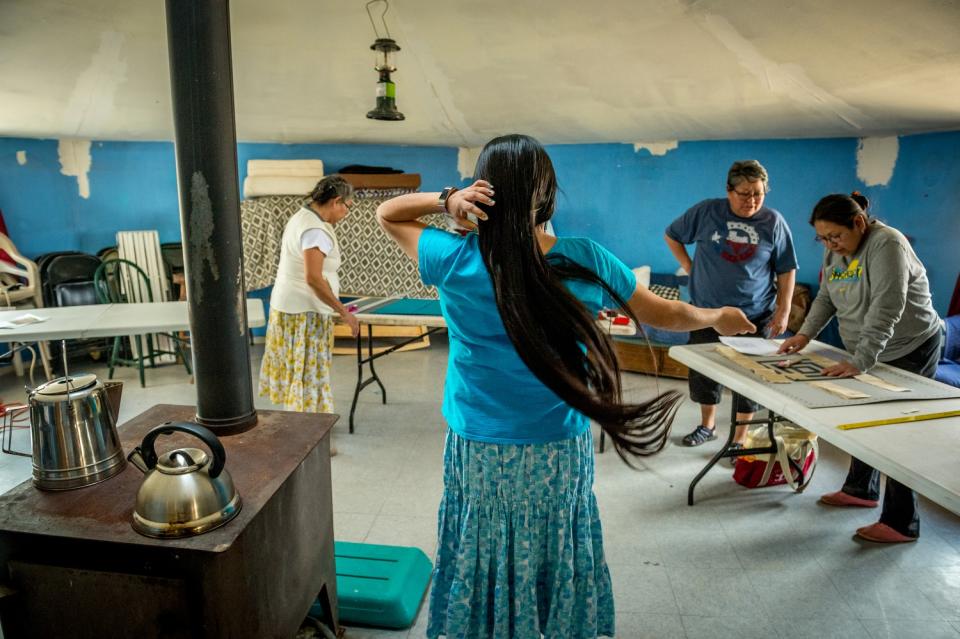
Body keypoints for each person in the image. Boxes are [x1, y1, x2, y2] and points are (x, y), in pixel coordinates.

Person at [376, 134, 755, 638]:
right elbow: (663, 312)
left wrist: (447, 199)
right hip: (556, 443)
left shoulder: (452, 257)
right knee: (552, 542)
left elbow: (389, 214)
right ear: (546, 192)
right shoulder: (582, 258)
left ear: (482, 191)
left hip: (477, 442)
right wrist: (717, 316)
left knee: (483, 539)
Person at [779, 192, 942, 543]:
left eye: (835, 236)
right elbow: (826, 295)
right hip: (867, 348)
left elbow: (888, 305)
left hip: (910, 346)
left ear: (858, 222)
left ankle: (901, 522)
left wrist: (859, 361)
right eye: (822, 238)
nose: (830, 244)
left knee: (897, 432)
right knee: (861, 416)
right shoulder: (835, 248)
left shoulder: (888, 244)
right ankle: (860, 489)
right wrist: (804, 334)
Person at [664, 160, 798, 453]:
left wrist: (784, 310)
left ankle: (739, 439)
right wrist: (688, 265)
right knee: (704, 374)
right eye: (744, 193)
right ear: (729, 190)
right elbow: (672, 235)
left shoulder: (773, 222)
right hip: (705, 314)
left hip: (754, 315)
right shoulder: (706, 211)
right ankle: (707, 426)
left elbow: (787, 269)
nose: (751, 201)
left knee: (748, 379)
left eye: (758, 194)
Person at [258, 175, 360, 431]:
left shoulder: (302, 217)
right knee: (308, 376)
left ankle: (298, 428)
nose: (346, 213)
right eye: (347, 206)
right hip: (305, 312)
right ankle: (310, 436)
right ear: (337, 201)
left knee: (299, 373)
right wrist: (344, 311)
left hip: (291, 307)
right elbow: (313, 278)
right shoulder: (316, 230)